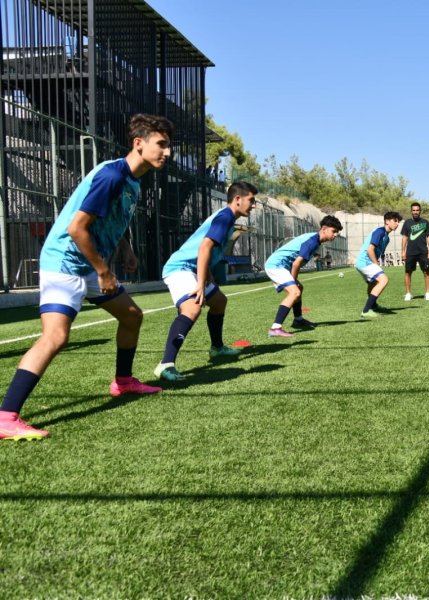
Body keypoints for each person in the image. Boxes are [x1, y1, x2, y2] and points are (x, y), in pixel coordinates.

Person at [0, 114, 173, 441]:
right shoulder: (111, 176)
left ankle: (123, 383)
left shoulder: (133, 180)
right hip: (66, 262)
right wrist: (104, 271)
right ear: (139, 143)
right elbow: (76, 228)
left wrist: (126, 248)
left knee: (132, 316)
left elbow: (112, 217)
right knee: (55, 337)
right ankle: (6, 417)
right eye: (161, 144)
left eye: (168, 146)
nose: (167, 152)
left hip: (89, 263)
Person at [154, 181, 258, 382]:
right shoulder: (226, 216)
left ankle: (217, 349)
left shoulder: (229, 217)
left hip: (193, 269)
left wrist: (207, 272)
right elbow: (204, 247)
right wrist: (200, 283)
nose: (253, 205)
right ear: (237, 199)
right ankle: (165, 365)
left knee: (219, 301)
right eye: (251, 200)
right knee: (193, 309)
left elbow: (208, 250)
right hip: (180, 268)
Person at [264, 216, 343, 337]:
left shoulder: (315, 240)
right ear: (324, 228)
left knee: (299, 289)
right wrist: (294, 280)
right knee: (295, 292)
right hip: (276, 265)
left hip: (282, 266)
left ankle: (298, 320)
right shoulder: (312, 241)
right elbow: (296, 263)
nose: (335, 235)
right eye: (334, 231)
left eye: (337, 232)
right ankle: (275, 328)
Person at [356, 211, 402, 317]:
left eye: (398, 221)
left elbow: (379, 252)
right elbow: (370, 249)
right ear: (386, 221)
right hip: (365, 262)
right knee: (383, 280)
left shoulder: (387, 237)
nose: (397, 223)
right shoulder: (379, 232)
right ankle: (366, 310)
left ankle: (373, 305)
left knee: (373, 283)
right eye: (395, 221)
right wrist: (376, 264)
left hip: (363, 262)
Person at [401, 202, 429, 301]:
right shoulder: (407, 223)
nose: (415, 212)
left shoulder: (425, 222)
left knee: (426, 272)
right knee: (408, 272)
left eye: (417, 210)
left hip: (423, 252)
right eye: (414, 210)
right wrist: (403, 251)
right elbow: (404, 237)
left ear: (420, 211)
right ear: (411, 211)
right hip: (410, 252)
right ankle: (408, 294)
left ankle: (428, 293)